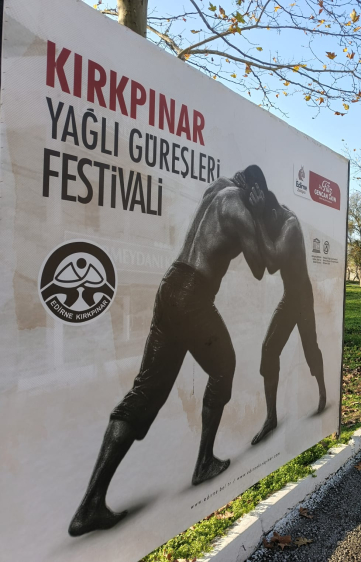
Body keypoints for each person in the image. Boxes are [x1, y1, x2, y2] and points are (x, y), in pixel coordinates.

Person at [68, 165, 268, 537]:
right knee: (224, 367)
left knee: (145, 392)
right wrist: (256, 213)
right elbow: (259, 267)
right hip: (194, 295)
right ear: (253, 189)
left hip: (170, 285)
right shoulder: (241, 207)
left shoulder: (217, 188)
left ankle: (89, 506)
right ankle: (204, 463)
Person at [244, 181, 326, 445]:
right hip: (290, 296)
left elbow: (271, 264)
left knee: (310, 347)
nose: (268, 231)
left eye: (267, 222)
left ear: (272, 213)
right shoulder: (278, 213)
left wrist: (258, 218)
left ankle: (322, 391)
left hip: (302, 296)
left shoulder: (290, 226)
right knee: (269, 350)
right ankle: (271, 418)